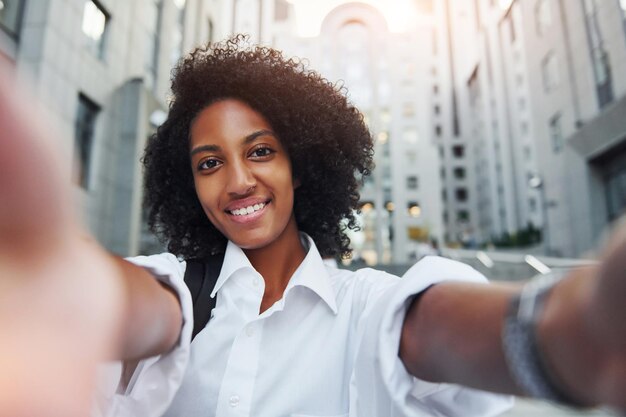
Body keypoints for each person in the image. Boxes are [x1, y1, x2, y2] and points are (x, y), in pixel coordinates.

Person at [0, 35, 624, 417]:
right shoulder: (171, 291)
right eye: (210, 163)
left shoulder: (369, 308)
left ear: (304, 164)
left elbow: (434, 330)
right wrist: (68, 293)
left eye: (262, 151)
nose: (239, 180)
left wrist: (577, 336)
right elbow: (142, 310)